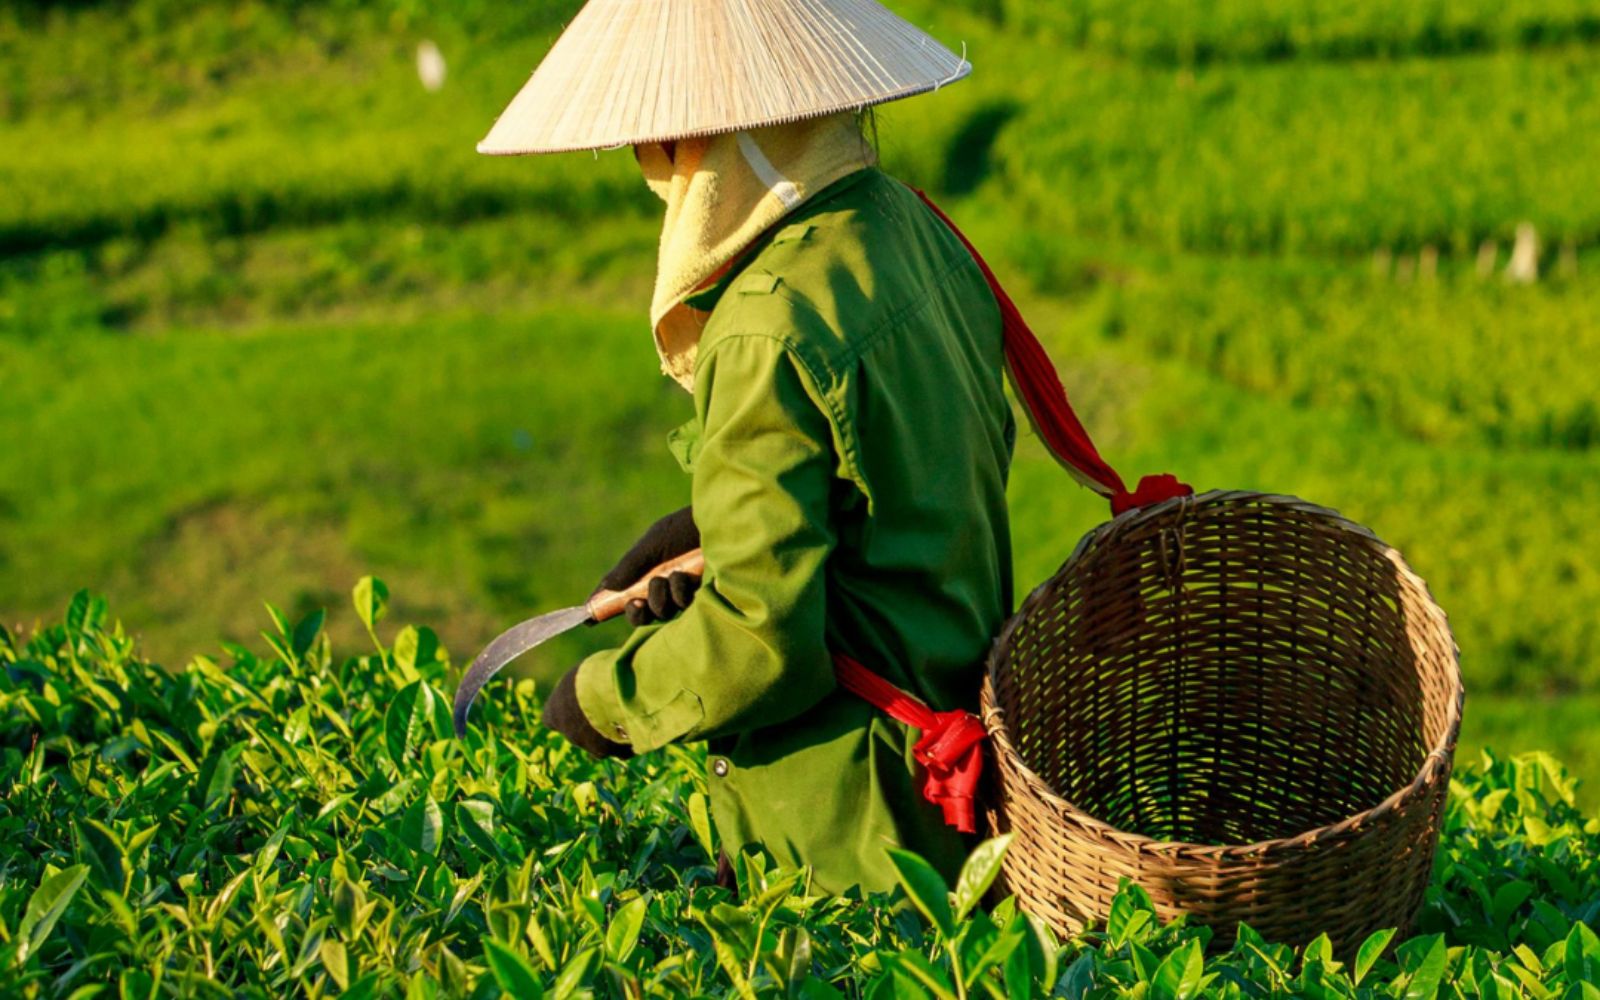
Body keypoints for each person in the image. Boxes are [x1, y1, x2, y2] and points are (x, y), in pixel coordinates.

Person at [478, 0, 1012, 895]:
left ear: (707, 141)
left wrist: (602, 703)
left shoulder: (763, 323)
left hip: (848, 828)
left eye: (662, 145)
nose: (656, 169)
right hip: (962, 773)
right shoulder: (911, 228)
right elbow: (906, 476)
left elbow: (764, 648)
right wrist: (724, 519)